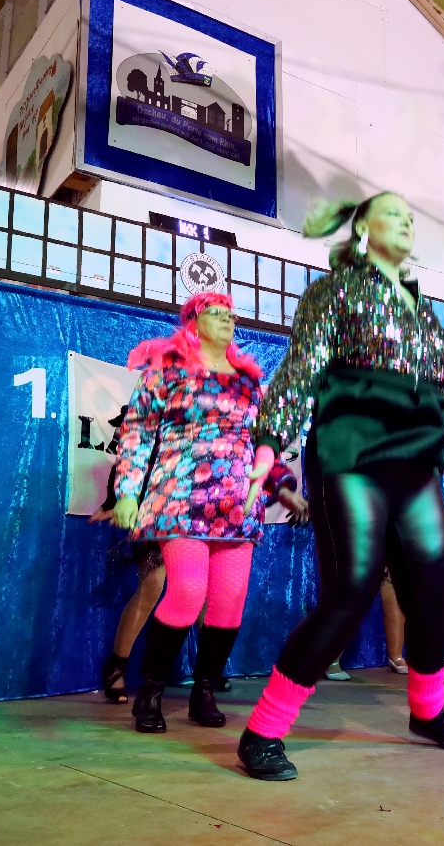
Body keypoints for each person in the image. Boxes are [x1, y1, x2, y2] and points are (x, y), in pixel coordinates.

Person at [237, 192, 444, 781]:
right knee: (349, 593)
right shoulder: (334, 292)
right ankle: (263, 731)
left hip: (415, 466)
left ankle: (427, 712)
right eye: (393, 213)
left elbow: (437, 400)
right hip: (352, 452)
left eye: (411, 215)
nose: (406, 221)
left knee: (434, 593)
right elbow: (302, 367)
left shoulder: (425, 314)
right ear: (362, 230)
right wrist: (270, 442)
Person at [113, 290, 305, 732]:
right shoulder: (167, 369)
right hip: (181, 498)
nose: (226, 319)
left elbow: (264, 444)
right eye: (214, 313)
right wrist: (126, 492)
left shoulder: (248, 381)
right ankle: (150, 694)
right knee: (186, 592)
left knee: (229, 601)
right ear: (193, 322)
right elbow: (137, 433)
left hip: (237, 505)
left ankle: (203, 692)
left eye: (230, 314)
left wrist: (282, 486)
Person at [91, 446, 167, 705]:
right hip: (150, 508)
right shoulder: (148, 422)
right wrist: (116, 501)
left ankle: (208, 675)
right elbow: (130, 456)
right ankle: (116, 667)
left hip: (194, 507)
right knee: (151, 586)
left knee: (202, 589)